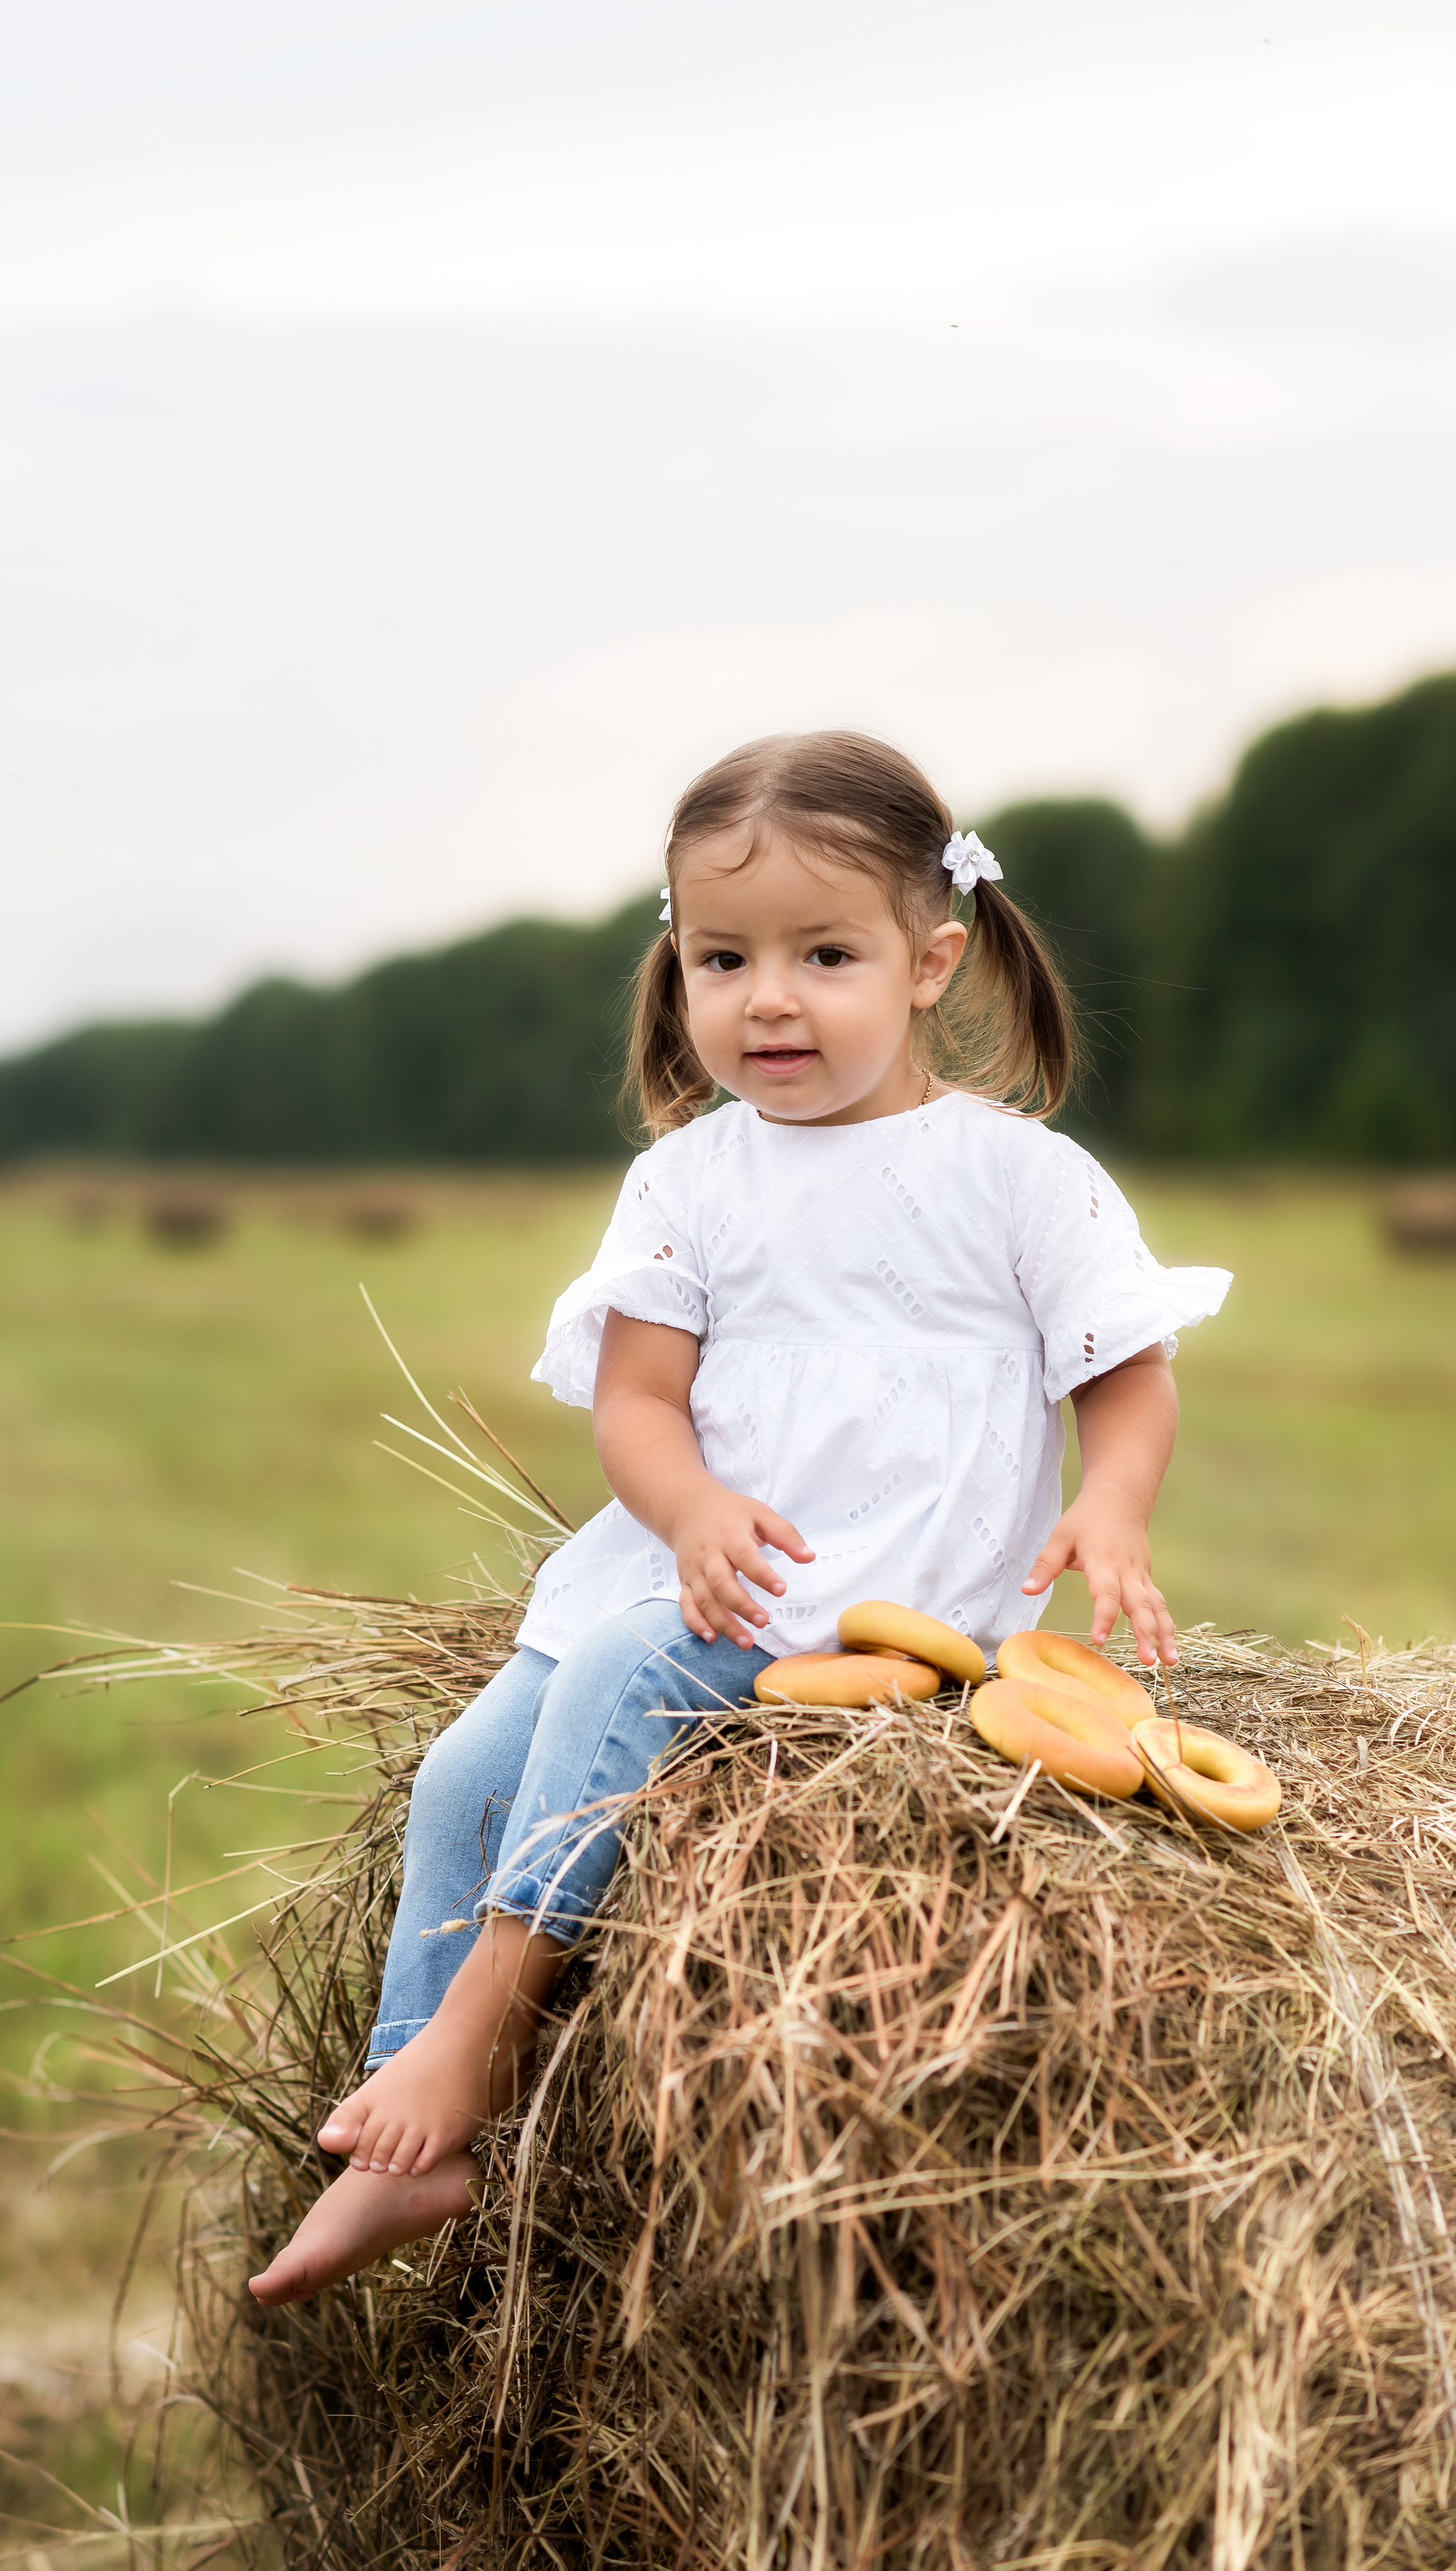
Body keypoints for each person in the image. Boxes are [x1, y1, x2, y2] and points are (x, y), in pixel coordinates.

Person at [249, 730, 1229, 2306]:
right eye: (723, 958)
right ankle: (400, 2135)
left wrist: (1110, 1510)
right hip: (708, 1563)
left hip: (879, 1593)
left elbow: (1123, 1379)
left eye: (821, 954)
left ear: (930, 962)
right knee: (461, 1776)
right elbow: (637, 1402)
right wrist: (691, 1503)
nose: (766, 997)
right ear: (677, 965)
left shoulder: (1018, 1180)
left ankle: (479, 2036)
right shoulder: (688, 1181)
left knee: (613, 1684)